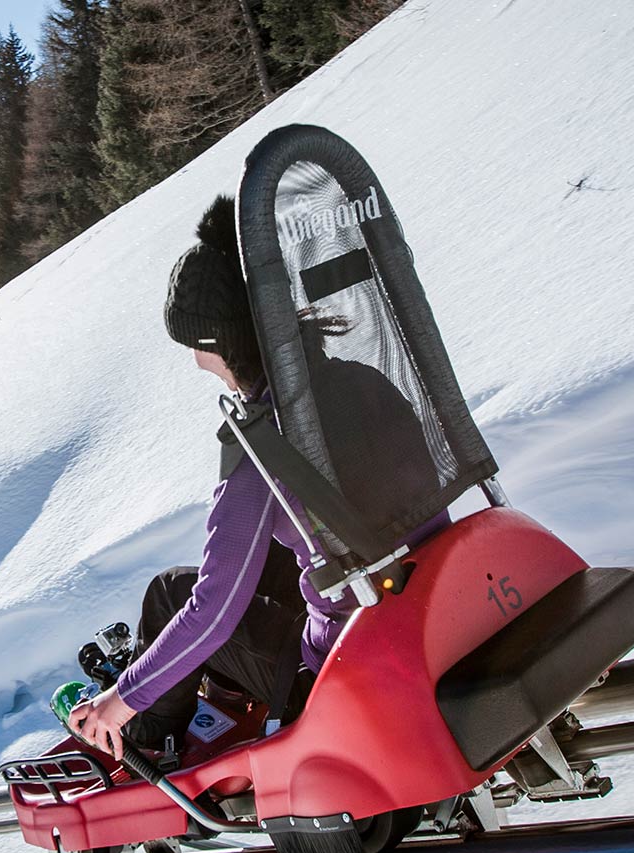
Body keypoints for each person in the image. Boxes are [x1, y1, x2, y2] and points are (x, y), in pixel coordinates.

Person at [69, 196, 447, 760]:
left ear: (221, 345)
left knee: (173, 593)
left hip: (346, 658)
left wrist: (122, 699)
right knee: (272, 555)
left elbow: (214, 610)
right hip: (427, 602)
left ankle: (146, 740)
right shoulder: (363, 380)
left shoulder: (262, 451)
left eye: (196, 347)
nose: (196, 362)